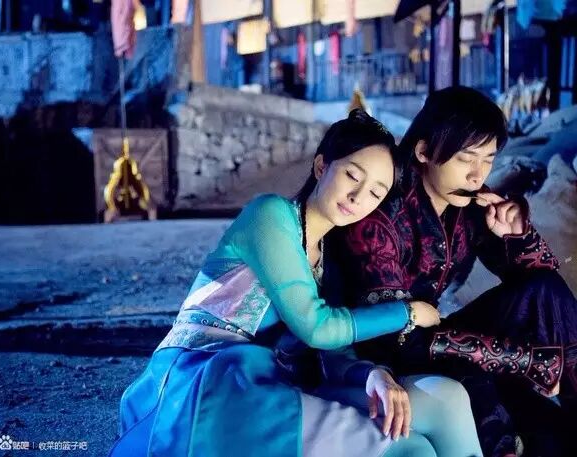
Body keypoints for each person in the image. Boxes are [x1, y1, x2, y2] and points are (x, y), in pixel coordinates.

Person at [108, 110, 483, 457]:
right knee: (411, 448)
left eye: (376, 192)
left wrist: (373, 373)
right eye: (353, 176)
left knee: (445, 401)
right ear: (322, 166)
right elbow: (316, 327)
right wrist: (407, 313)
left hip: (275, 382)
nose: (358, 197)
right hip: (209, 379)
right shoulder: (270, 215)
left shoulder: (331, 254)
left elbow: (333, 349)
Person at [329, 87, 577, 456]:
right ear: (424, 152)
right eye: (466, 159)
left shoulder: (469, 204)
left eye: (488, 160)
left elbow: (543, 293)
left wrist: (517, 236)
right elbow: (396, 336)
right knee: (481, 387)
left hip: (434, 333)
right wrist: (527, 360)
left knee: (544, 288)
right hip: (381, 347)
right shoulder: (381, 210)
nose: (477, 175)